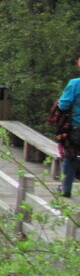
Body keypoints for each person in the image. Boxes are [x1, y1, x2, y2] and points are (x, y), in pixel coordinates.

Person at [55, 56, 80, 198]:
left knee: (70, 156)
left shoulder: (75, 84)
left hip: (76, 128)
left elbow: (63, 104)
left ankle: (66, 188)